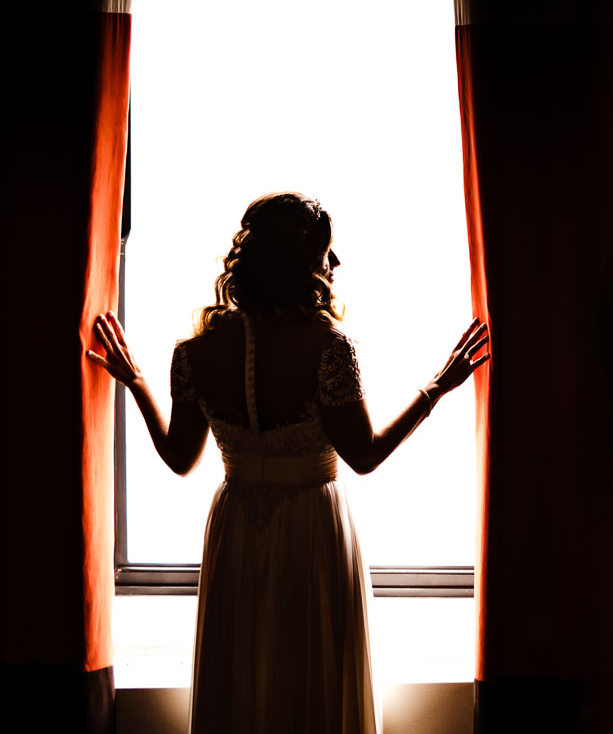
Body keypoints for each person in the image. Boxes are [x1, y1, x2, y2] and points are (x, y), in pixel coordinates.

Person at [87, 191, 489, 734]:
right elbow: (365, 456)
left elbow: (180, 459)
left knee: (245, 673)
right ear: (299, 263)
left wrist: (136, 385)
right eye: (327, 251)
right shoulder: (329, 346)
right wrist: (436, 388)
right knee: (311, 677)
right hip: (312, 526)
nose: (336, 264)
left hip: (235, 527)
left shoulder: (194, 352)